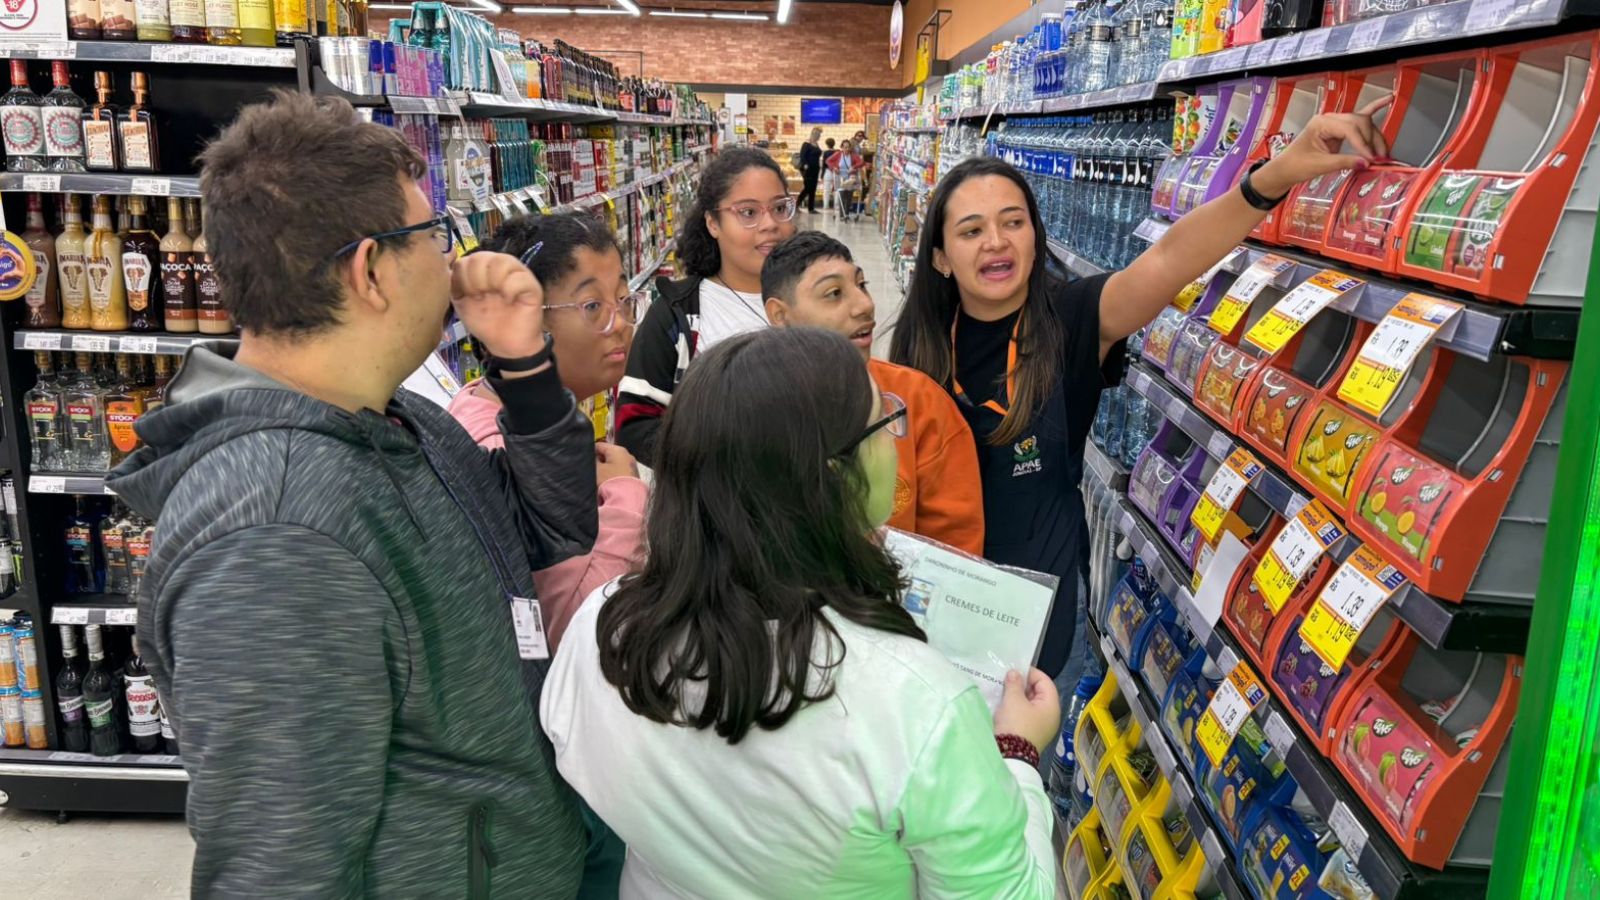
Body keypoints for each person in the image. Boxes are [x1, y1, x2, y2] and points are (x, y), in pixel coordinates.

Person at [106, 92, 596, 897]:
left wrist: (526, 369)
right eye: (434, 235)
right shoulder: (277, 539)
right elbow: (279, 869)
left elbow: (555, 531)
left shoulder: (399, 420)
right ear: (369, 271)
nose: (453, 261)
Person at [543, 327, 1063, 899]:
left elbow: (573, 750)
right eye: (884, 423)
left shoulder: (605, 626)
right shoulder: (916, 704)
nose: (896, 437)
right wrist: (1017, 754)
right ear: (836, 480)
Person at [889, 99, 1393, 682]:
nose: (996, 241)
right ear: (941, 258)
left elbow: (1171, 259)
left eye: (1013, 222)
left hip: (1039, 627)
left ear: (1035, 235)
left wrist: (1274, 176)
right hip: (937, 617)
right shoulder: (919, 349)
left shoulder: (1073, 318)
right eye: (971, 230)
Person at [448, 211, 646, 653]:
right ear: (526, 320)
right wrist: (625, 495)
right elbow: (573, 628)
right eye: (593, 306)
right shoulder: (497, 451)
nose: (620, 323)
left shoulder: (492, 404)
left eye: (623, 299)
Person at [761, 231, 983, 555]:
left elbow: (955, 553)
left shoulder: (919, 401)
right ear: (780, 316)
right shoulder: (749, 409)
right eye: (834, 294)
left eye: (862, 285)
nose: (865, 305)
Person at [616, 147, 798, 466]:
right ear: (713, 223)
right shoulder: (676, 315)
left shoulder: (813, 301)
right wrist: (721, 462)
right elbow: (635, 427)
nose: (770, 224)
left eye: (780, 208)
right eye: (749, 213)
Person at [827, 139, 866, 220]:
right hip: (839, 177)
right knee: (842, 194)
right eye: (845, 147)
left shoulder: (853, 155)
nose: (847, 149)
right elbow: (828, 161)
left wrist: (853, 167)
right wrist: (834, 168)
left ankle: (847, 214)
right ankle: (842, 215)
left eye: (848, 147)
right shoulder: (838, 154)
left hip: (850, 178)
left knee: (849, 195)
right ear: (842, 147)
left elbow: (861, 162)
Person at [797, 126, 824, 214]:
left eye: (819, 135)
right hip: (808, 169)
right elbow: (802, 155)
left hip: (815, 169)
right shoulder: (806, 144)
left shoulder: (816, 144)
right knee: (808, 188)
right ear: (813, 134)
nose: (819, 136)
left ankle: (811, 208)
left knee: (813, 188)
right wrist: (805, 164)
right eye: (818, 135)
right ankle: (796, 205)